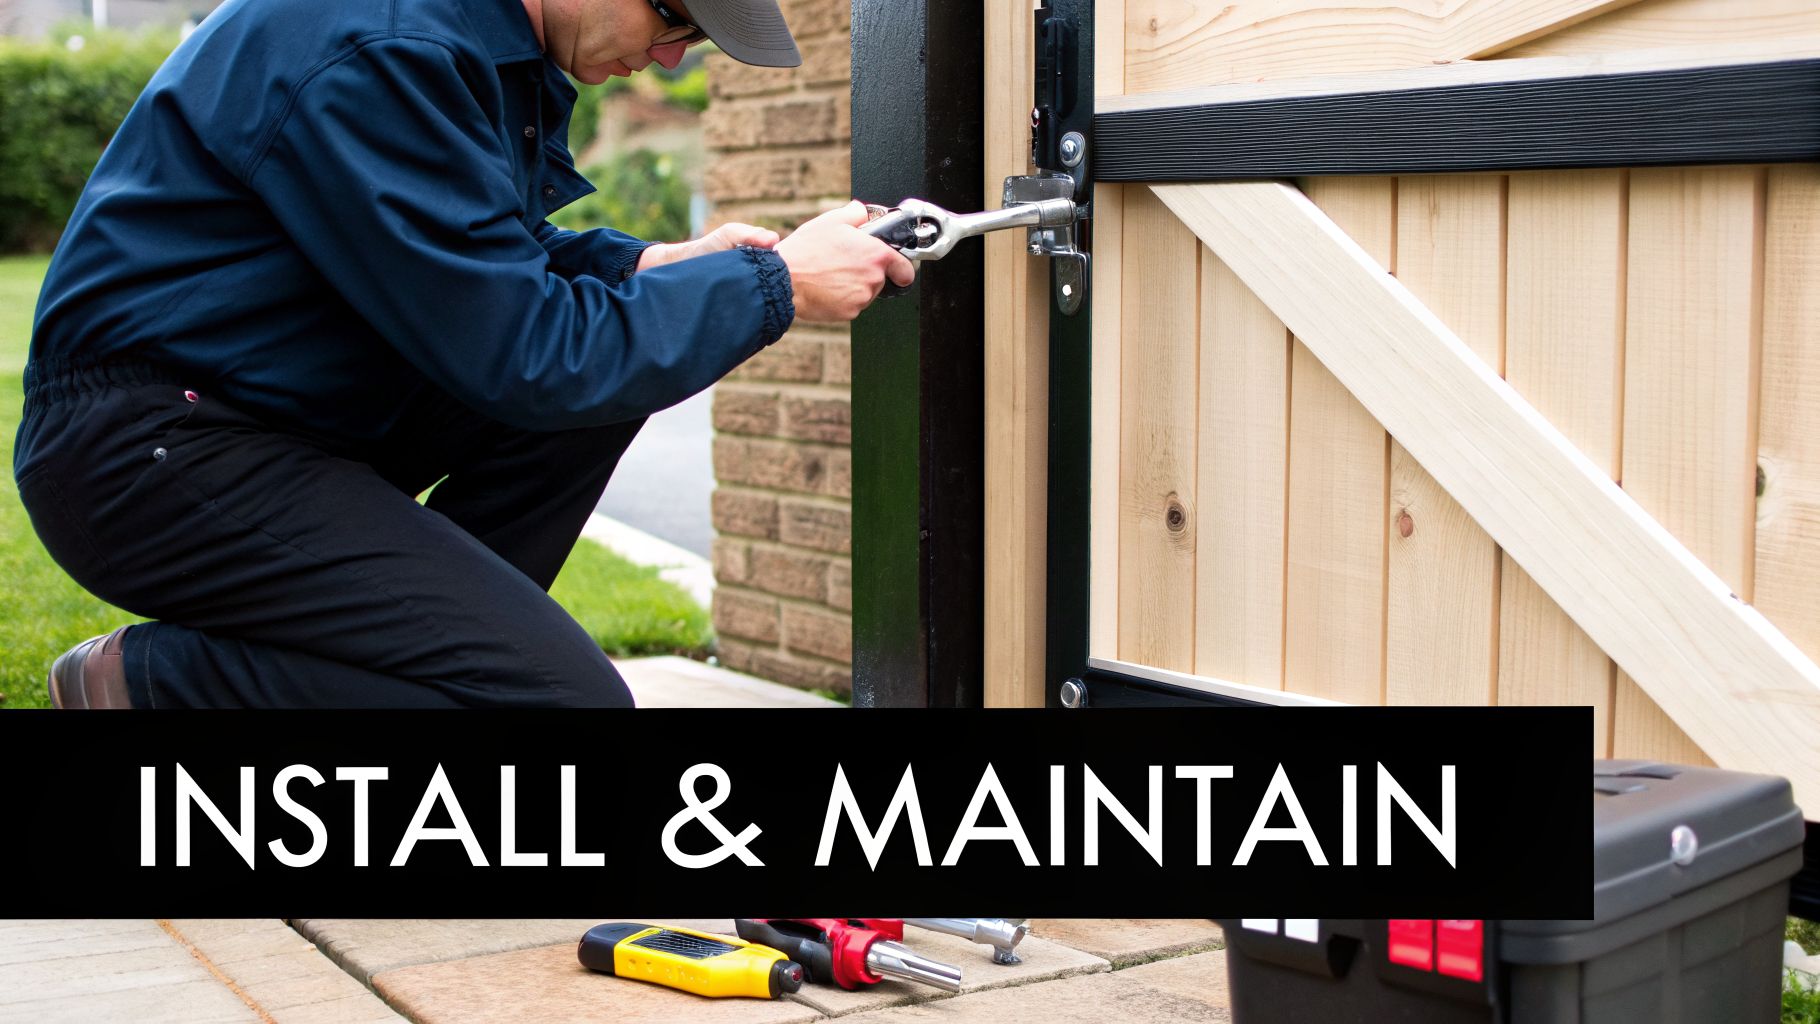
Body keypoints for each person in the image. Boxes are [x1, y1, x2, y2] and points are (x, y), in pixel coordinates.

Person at [16, 0, 914, 709]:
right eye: (674, 20)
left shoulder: (465, 40)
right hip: (147, 446)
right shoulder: (383, 45)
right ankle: (152, 684)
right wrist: (780, 284)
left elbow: (476, 265)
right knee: (561, 707)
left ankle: (456, 658)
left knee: (606, 381)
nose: (675, 56)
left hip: (267, 408)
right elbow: (529, 352)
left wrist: (649, 265)